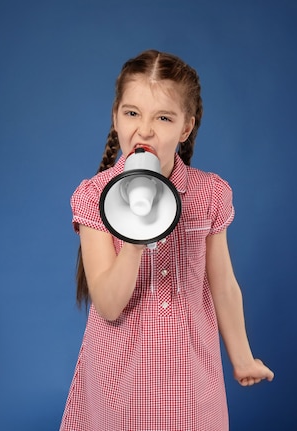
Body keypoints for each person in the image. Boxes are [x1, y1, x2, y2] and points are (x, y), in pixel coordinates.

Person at [60, 49, 274, 431]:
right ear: (115, 118)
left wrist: (241, 357)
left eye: (163, 117)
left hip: (189, 376)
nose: (144, 130)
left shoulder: (209, 194)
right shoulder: (94, 197)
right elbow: (108, 305)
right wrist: (135, 230)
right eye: (132, 113)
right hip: (120, 379)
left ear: (186, 128)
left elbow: (223, 285)